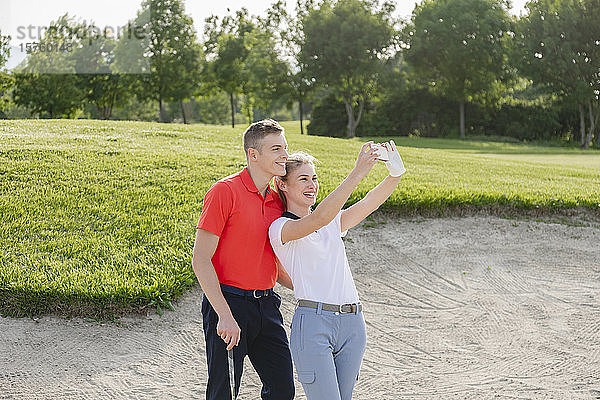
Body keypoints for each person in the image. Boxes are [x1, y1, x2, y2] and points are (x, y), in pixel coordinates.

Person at [268, 140, 406, 400]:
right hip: (314, 324)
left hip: (353, 323)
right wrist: (357, 173)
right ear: (282, 184)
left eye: (314, 178)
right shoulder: (281, 228)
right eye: (303, 179)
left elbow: (368, 204)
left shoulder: (331, 222)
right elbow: (317, 218)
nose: (312, 185)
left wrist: (395, 174)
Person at [192, 119, 295, 400]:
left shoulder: (277, 201)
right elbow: (201, 259)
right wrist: (225, 314)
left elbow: (272, 260)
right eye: (276, 149)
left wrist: (306, 288)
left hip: (268, 305)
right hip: (230, 302)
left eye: (285, 147)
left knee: (283, 390)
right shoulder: (225, 191)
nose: (285, 154)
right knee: (224, 392)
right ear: (253, 154)